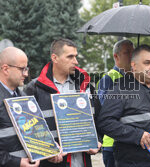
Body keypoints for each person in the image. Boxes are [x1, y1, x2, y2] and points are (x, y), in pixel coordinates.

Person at [24, 38, 101, 167]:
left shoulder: (85, 86)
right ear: (55, 58)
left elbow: (99, 117)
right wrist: (47, 152)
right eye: (70, 57)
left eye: (76, 56)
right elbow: (27, 127)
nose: (75, 62)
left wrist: (97, 140)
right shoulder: (35, 88)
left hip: (83, 161)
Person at [0, 47, 40, 167]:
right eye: (22, 69)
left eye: (27, 69)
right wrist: (17, 162)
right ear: (5, 69)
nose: (26, 74)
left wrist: (49, 149)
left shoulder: (24, 97)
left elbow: (32, 133)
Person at [96, 39, 134, 167]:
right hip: (112, 144)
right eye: (127, 52)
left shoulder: (137, 78)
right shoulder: (108, 78)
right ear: (116, 56)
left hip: (133, 143)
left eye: (133, 52)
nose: (131, 56)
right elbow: (103, 110)